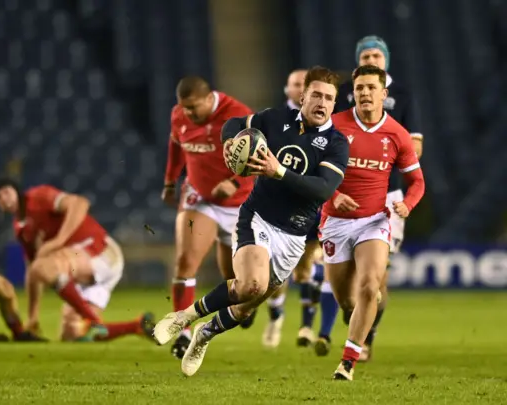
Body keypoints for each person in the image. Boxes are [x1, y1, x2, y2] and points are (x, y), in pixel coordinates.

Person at [154, 66, 350, 377]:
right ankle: (183, 318)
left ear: (334, 103)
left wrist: (279, 171)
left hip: (294, 236)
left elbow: (324, 188)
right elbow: (232, 125)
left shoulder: (337, 144)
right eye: (316, 95)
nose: (322, 102)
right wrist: (231, 141)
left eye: (329, 98)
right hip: (257, 217)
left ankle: (205, 334)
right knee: (251, 284)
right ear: (303, 96)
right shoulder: (275, 119)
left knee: (247, 305)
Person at [323, 64, 425, 381]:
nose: (365, 93)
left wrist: (407, 205)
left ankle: (348, 362)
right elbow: (313, 173)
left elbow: (417, 181)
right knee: (347, 300)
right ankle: (357, 313)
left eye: (371, 88)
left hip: (374, 221)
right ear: (352, 94)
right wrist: (333, 194)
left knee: (370, 286)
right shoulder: (333, 126)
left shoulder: (397, 134)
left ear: (384, 94)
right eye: (359, 88)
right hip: (336, 223)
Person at [0, 179, 155, 342]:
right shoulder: (20, 229)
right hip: (85, 267)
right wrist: (32, 318)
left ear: (16, 190)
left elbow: (80, 203)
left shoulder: (38, 196)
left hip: (100, 251)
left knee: (45, 266)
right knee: (72, 334)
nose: (4, 198)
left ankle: (94, 321)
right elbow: (33, 271)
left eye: (6, 192)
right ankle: (136, 326)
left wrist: (58, 241)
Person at [162, 76, 255, 358]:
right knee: (186, 260)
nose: (188, 113)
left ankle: (241, 307)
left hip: (238, 203)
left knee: (235, 280)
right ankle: (183, 331)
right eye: (183, 107)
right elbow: (176, 145)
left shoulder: (238, 115)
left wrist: (235, 182)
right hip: (199, 197)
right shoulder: (179, 115)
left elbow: (261, 155)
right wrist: (169, 182)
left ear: (208, 98)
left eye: (193, 107)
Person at [263, 67, 331, 349]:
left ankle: (305, 328)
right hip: (278, 209)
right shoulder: (277, 120)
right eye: (295, 84)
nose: (299, 89)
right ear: (290, 91)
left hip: (312, 207)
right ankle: (276, 315)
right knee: (275, 278)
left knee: (305, 270)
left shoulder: (328, 125)